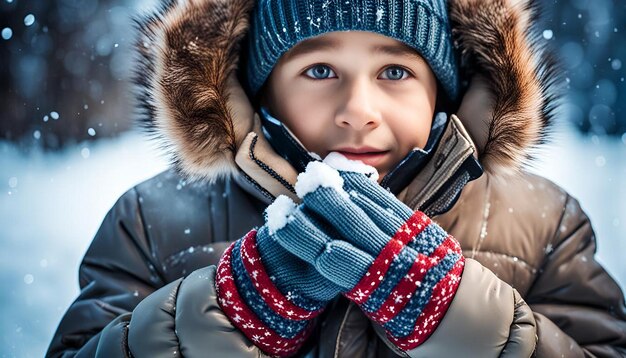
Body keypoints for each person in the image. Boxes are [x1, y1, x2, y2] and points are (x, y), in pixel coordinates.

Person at [47, 0, 626, 356]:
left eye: (395, 70)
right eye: (320, 70)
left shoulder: (542, 224)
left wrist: (457, 315)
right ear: (261, 88)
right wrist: (226, 313)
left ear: (441, 93)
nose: (358, 108)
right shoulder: (152, 222)